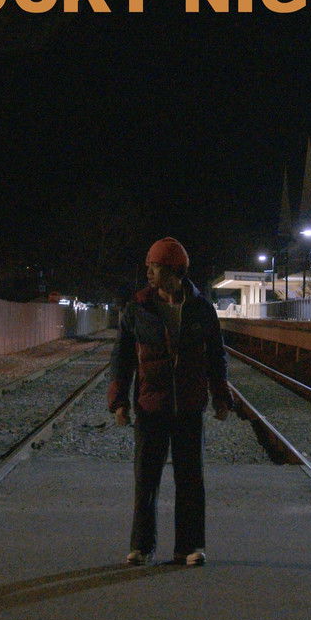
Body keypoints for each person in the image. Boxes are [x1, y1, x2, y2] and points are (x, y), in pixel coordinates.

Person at [107, 237, 234, 566]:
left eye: (156, 267)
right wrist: (119, 402)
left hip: (189, 407)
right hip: (151, 407)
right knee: (145, 480)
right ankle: (141, 547)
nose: (149, 272)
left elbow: (216, 357)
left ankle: (190, 547)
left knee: (190, 480)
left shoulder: (201, 309)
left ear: (175, 271)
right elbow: (122, 359)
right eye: (148, 266)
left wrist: (221, 397)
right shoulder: (137, 309)